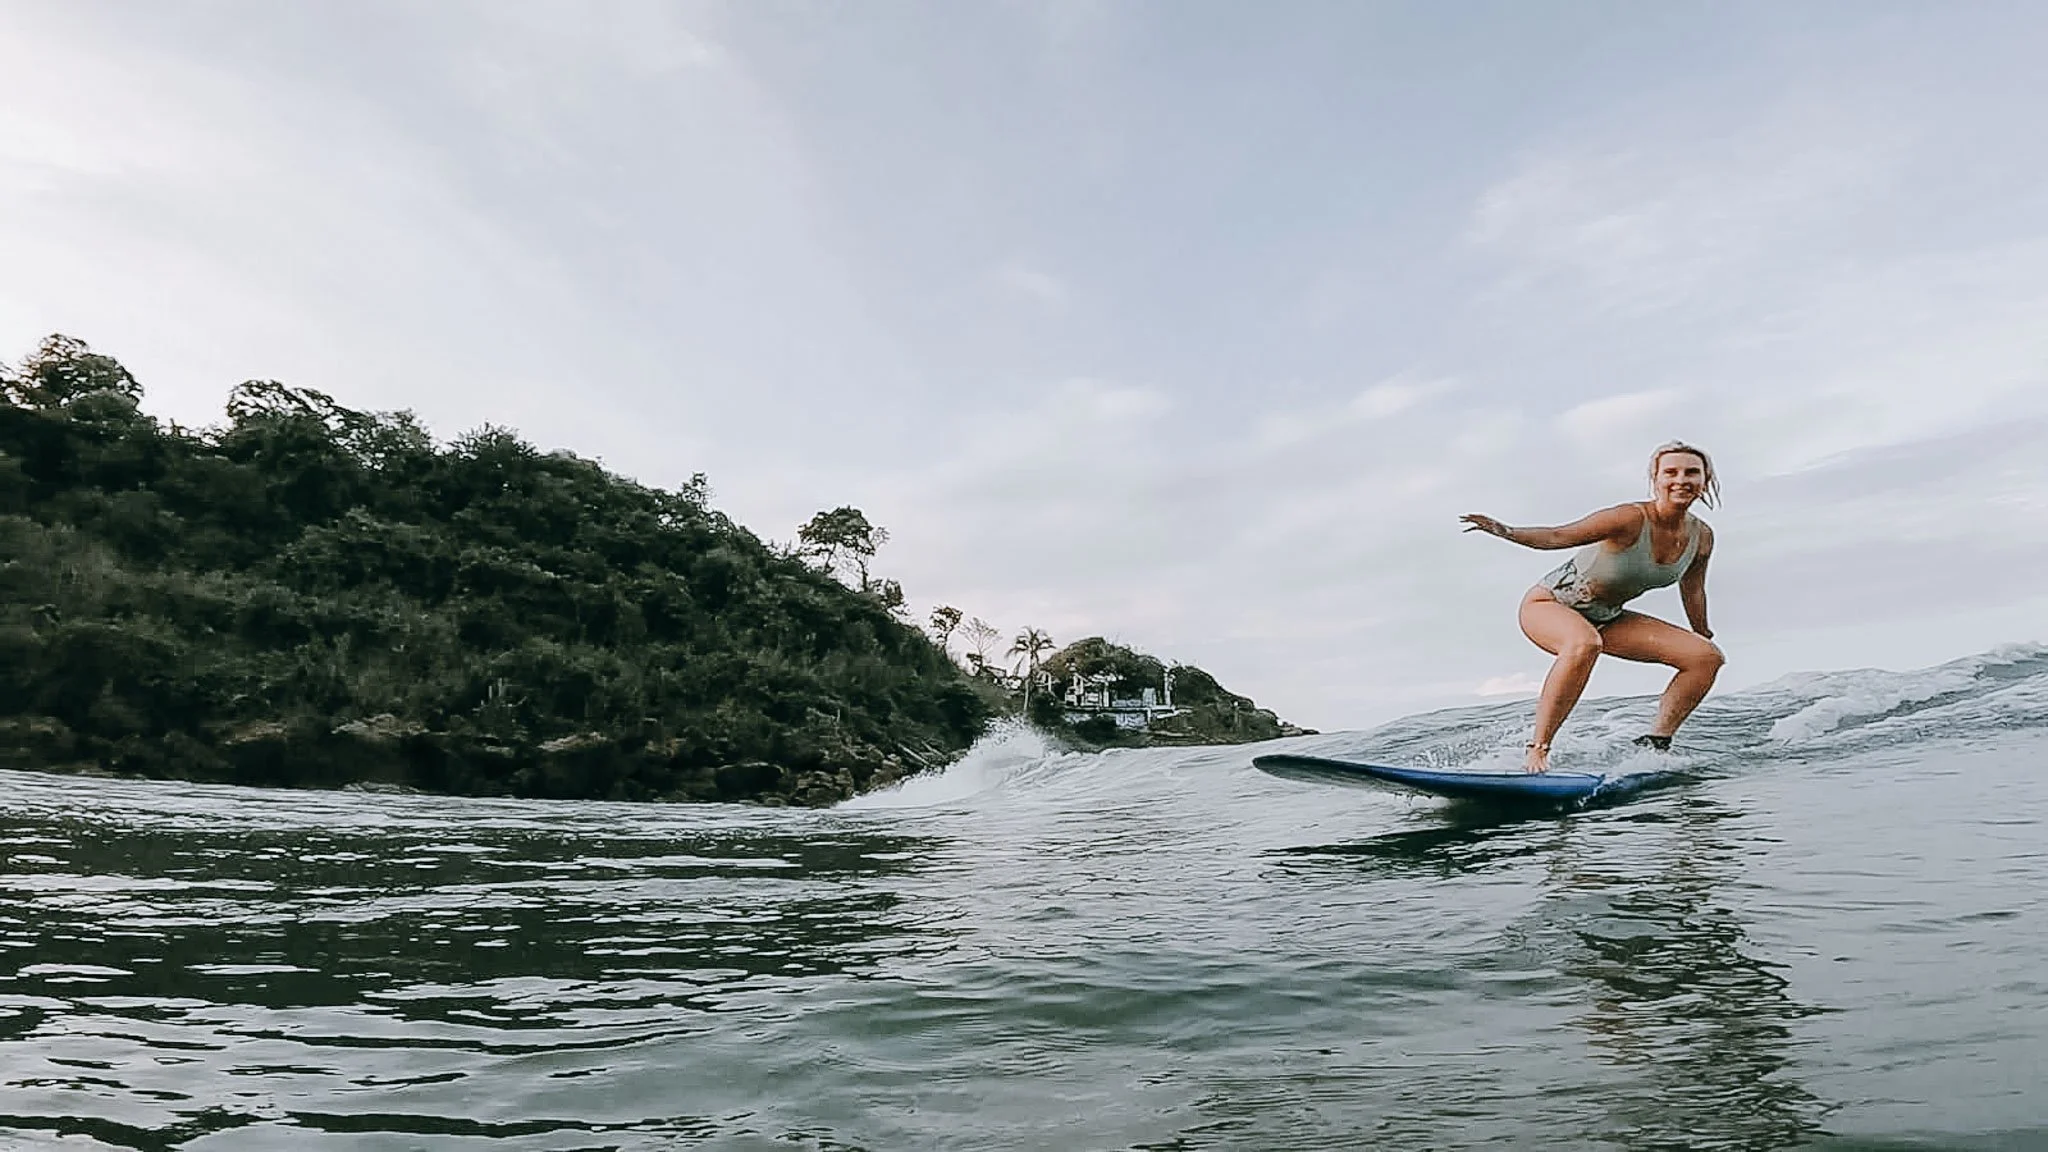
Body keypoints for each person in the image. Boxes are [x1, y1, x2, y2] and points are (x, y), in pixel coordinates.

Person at [1459, 441, 1724, 773]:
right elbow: (1558, 535)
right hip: (1549, 604)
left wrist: (1701, 632)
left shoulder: (1702, 537)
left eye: (1691, 473)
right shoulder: (1629, 518)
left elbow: (1693, 588)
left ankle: (1656, 743)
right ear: (1655, 479)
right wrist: (1507, 531)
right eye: (1670, 472)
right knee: (1583, 644)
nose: (1680, 480)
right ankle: (1537, 751)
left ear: (1705, 479)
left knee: (1706, 657)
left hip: (1607, 617)